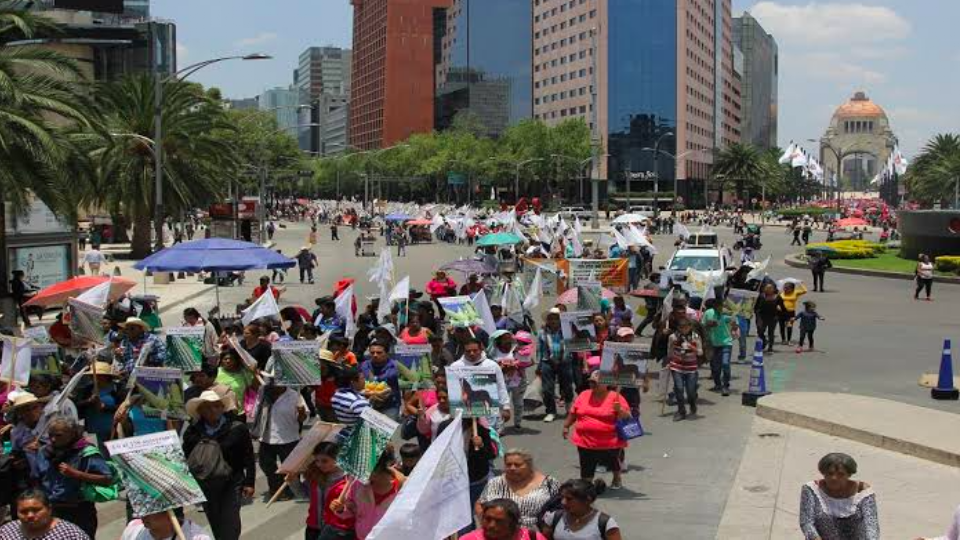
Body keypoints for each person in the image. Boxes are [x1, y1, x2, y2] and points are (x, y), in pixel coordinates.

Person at [182, 390, 256, 540]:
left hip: (232, 481)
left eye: (216, 406)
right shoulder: (192, 432)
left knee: (230, 520)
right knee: (215, 519)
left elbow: (248, 455)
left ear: (222, 407)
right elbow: (187, 457)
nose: (212, 410)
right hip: (206, 483)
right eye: (207, 407)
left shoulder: (237, 428)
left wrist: (249, 482)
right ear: (200, 410)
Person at [33, 415, 116, 538]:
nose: (53, 439)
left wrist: (76, 474)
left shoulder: (86, 452)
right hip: (51, 510)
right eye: (51, 435)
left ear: (72, 433)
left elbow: (107, 479)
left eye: (59, 435)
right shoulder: (44, 452)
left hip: (79, 510)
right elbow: (37, 478)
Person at [562, 372, 630, 488]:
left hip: (609, 442)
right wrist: (566, 426)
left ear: (606, 384)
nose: (591, 384)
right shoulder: (583, 395)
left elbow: (628, 417)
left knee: (612, 461)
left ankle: (616, 477)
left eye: (595, 382)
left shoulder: (615, 397)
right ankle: (587, 483)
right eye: (590, 381)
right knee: (586, 465)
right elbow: (573, 413)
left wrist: (619, 410)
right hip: (585, 440)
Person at [799, 452, 878, 540]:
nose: (834, 478)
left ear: (849, 475)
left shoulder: (863, 492)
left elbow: (871, 526)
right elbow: (807, 522)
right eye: (830, 473)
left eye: (841, 474)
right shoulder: (811, 489)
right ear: (823, 473)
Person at [329, 450, 405, 540]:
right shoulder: (357, 484)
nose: (358, 473)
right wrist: (341, 509)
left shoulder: (402, 488)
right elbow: (351, 510)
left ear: (378, 467)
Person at [477, 450, 560, 530]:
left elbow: (562, 508)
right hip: (501, 533)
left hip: (537, 532)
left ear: (529, 465)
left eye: (517, 465)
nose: (512, 468)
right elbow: (480, 504)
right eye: (508, 465)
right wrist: (487, 525)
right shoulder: (495, 483)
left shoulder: (550, 483)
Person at [252, 382, 307, 501]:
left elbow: (302, 419)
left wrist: (301, 412)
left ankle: (292, 490)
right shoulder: (263, 392)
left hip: (288, 438)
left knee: (290, 468)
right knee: (266, 465)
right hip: (266, 438)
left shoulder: (295, 395)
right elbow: (256, 411)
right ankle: (275, 488)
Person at [449, 337, 513, 427]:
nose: (472, 353)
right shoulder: (455, 367)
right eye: (468, 351)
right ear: (464, 351)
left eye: (475, 350)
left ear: (481, 349)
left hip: (489, 417)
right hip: (464, 418)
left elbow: (501, 387)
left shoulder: (492, 365)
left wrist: (506, 407)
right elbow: (452, 390)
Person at [299, 442, 350, 540]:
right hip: (313, 527)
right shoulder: (314, 475)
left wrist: (342, 509)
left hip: (335, 530)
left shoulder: (348, 480)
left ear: (337, 459)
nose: (319, 464)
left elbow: (355, 508)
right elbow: (303, 494)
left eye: (324, 461)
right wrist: (292, 481)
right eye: (317, 460)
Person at [541, 479, 621, 540]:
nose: (563, 502)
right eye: (562, 497)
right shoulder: (553, 518)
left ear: (587, 500)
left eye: (569, 499)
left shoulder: (605, 523)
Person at [0, 489, 91, 540]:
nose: (30, 515)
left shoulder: (71, 534)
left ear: (49, 509)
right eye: (23, 512)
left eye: (36, 510)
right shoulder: (6, 531)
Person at [538, 309, 573, 423]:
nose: (553, 321)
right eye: (550, 318)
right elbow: (540, 349)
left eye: (556, 318)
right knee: (547, 388)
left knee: (567, 386)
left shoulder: (567, 330)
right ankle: (551, 411)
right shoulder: (542, 332)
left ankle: (569, 409)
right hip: (547, 361)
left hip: (564, 360)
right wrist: (539, 365)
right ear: (547, 320)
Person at [668, 318, 703, 421]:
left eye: (686, 327)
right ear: (678, 328)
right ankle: (681, 411)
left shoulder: (695, 337)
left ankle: (692, 404)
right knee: (679, 388)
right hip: (677, 366)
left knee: (690, 391)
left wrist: (692, 347)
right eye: (681, 327)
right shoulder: (673, 337)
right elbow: (670, 350)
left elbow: (700, 352)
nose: (684, 330)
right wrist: (669, 361)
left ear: (690, 327)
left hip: (691, 367)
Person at [463, 498, 548, 540]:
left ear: (513, 522)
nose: (492, 525)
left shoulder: (532, 537)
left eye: (499, 521)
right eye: (488, 519)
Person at [703, 298, 736, 397]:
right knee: (715, 367)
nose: (720, 308)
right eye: (718, 306)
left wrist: (734, 324)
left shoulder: (727, 313)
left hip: (726, 342)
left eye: (722, 306)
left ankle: (726, 386)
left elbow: (734, 322)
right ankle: (717, 384)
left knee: (725, 364)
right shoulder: (708, 313)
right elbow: (702, 325)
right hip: (713, 343)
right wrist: (708, 324)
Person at [360, 341, 401, 419]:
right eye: (372, 353)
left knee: (388, 430)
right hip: (370, 404)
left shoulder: (394, 366)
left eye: (379, 352)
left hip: (390, 406)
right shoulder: (365, 365)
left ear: (387, 353)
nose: (375, 355)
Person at [215, 349, 259, 419]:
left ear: (236, 361)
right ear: (221, 361)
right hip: (220, 413)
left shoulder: (243, 373)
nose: (228, 361)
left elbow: (255, 387)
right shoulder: (216, 372)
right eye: (225, 359)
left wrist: (254, 373)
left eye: (231, 359)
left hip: (239, 413)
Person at [331, 366, 370, 439]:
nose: (365, 381)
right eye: (362, 378)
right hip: (358, 438)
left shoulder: (337, 394)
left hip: (344, 433)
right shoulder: (358, 402)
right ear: (353, 382)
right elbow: (370, 424)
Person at [120, 511, 212, 540]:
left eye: (150, 511)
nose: (142, 516)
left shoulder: (197, 537)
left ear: (169, 513)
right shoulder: (133, 531)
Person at [753, 283, 785, 353]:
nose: (769, 290)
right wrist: (756, 313)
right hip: (762, 316)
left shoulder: (777, 297)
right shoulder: (761, 296)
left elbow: (782, 307)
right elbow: (756, 306)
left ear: (773, 289)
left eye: (770, 288)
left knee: (771, 332)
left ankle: (770, 347)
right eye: (767, 288)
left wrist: (780, 309)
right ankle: (764, 341)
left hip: (773, 317)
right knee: (760, 330)